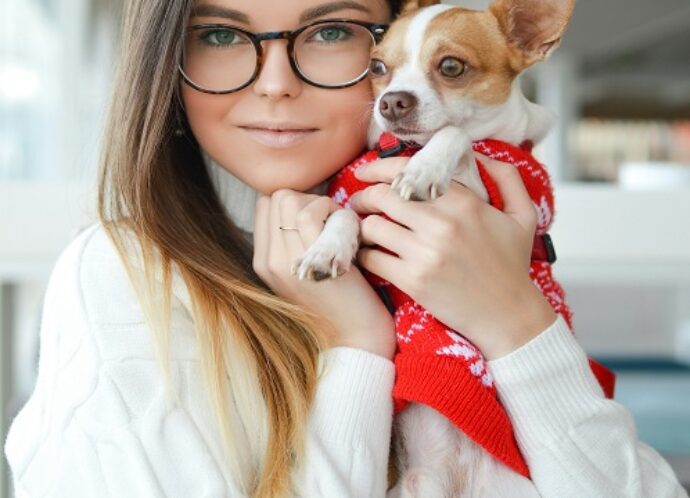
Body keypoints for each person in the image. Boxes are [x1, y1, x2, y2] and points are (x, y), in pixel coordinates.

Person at [4, 0, 688, 497]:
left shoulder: (485, 239)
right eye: (218, 33)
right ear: (166, 66)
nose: (274, 82)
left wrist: (518, 325)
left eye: (331, 31)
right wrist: (358, 343)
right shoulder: (126, 283)